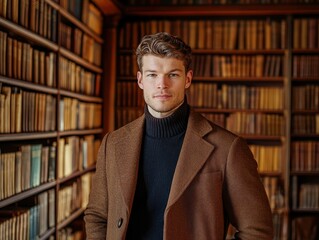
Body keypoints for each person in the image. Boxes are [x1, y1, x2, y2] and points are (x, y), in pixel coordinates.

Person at [84, 32, 273, 240]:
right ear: (140, 80)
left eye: (172, 74)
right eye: (152, 75)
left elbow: (257, 231)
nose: (162, 84)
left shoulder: (228, 148)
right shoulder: (113, 143)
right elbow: (97, 216)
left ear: (187, 79)